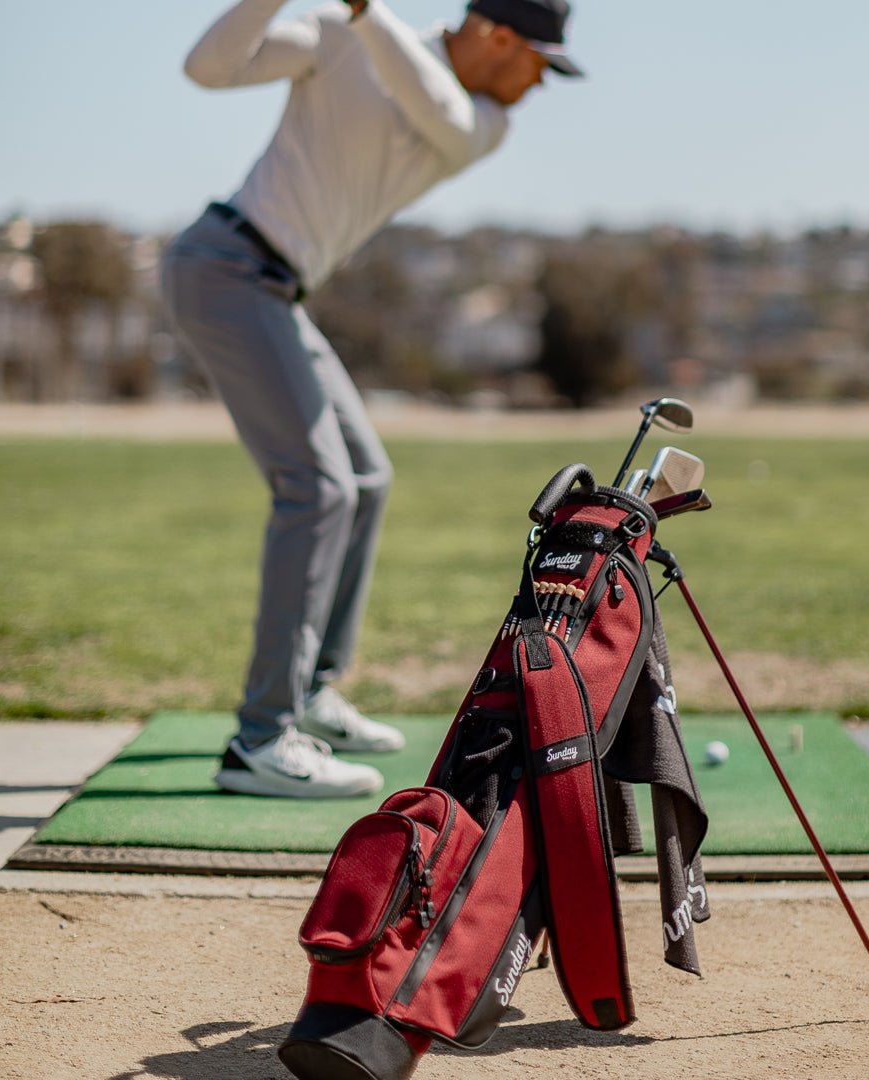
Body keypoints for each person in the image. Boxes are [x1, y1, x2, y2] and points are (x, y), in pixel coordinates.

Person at [161, 0, 583, 798]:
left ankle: (311, 692)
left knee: (365, 478)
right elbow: (205, 69)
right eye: (541, 63)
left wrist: (364, 10)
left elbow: (439, 108)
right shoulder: (339, 38)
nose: (539, 85)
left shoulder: (481, 120)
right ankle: (261, 738)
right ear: (500, 36)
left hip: (274, 288)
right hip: (225, 266)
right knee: (317, 488)